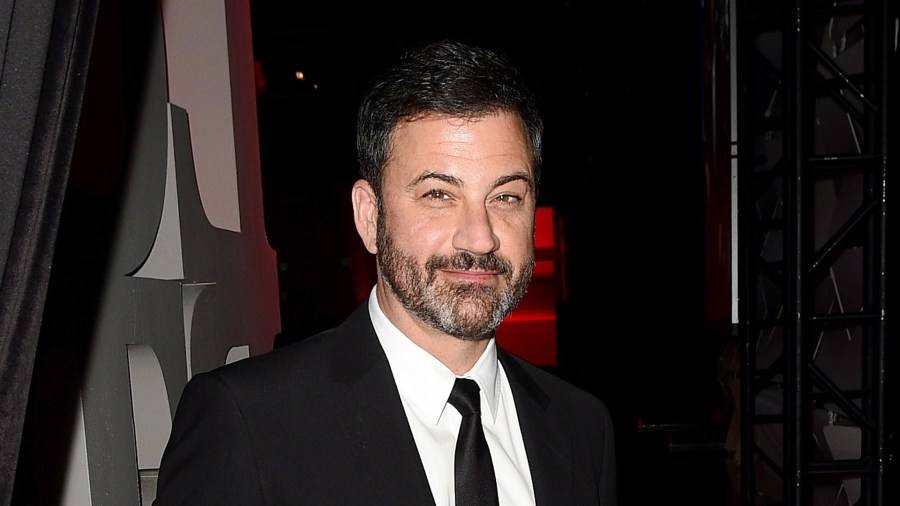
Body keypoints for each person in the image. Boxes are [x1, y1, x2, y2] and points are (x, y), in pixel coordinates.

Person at [153, 38, 617, 505]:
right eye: (439, 195)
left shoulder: (580, 425)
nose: (480, 238)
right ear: (369, 216)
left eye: (506, 197)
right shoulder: (248, 422)